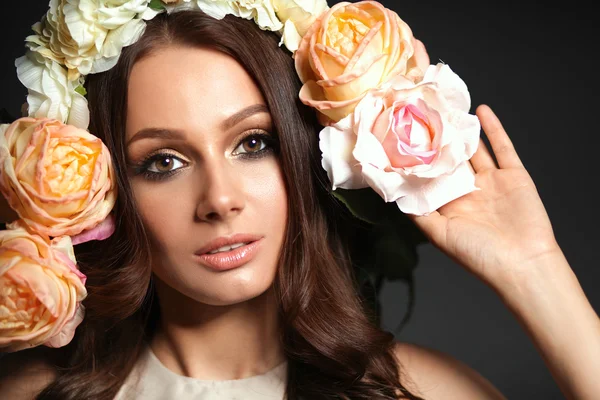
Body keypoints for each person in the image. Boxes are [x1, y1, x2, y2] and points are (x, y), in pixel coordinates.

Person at [0, 2, 598, 400]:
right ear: (106, 195)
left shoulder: (426, 393)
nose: (220, 200)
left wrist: (532, 269)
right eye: (163, 162)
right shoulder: (32, 395)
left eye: (253, 143)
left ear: (305, 152)